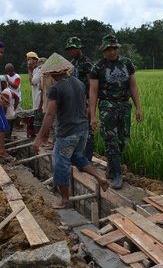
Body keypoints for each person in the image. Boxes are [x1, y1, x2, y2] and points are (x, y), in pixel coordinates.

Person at [32, 53, 109, 209]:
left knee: (60, 164)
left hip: (67, 133)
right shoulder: (79, 83)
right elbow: (86, 106)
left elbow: (50, 114)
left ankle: (64, 200)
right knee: (75, 156)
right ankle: (99, 177)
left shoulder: (56, 89)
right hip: (83, 131)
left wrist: (39, 137)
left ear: (52, 73)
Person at [89, 34, 143, 189]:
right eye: (108, 49)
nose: (112, 52)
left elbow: (133, 86)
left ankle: (111, 169)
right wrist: (93, 116)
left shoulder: (127, 63)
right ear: (103, 50)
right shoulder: (98, 67)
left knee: (122, 140)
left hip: (124, 106)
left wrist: (138, 107)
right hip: (107, 107)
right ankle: (118, 175)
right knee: (111, 141)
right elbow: (93, 92)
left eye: (114, 48)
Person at [65, 36, 95, 162]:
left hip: (85, 100)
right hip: (75, 101)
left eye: (74, 48)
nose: (71, 51)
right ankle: (77, 156)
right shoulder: (71, 63)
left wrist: (90, 103)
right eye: (70, 49)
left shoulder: (86, 63)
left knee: (88, 130)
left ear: (79, 48)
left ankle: (86, 158)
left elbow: (92, 84)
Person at [0, 75, 19, 140]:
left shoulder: (4, 92)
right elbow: (17, 98)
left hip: (7, 116)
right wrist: (14, 108)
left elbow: (4, 106)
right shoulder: (9, 90)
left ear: (3, 83)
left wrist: (3, 116)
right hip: (11, 114)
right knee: (8, 134)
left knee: (6, 136)